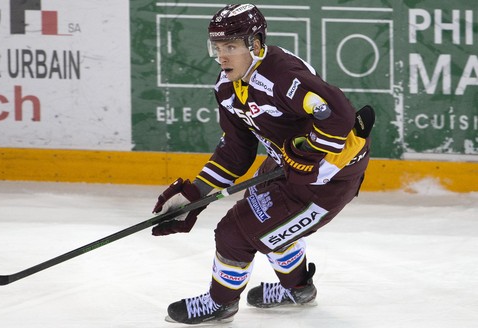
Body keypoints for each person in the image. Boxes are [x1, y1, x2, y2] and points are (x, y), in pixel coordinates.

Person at [151, 3, 373, 325]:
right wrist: (194, 193)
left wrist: (309, 153)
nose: (222, 57)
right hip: (286, 167)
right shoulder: (228, 87)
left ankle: (220, 303)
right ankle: (298, 290)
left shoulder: (281, 77)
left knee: (235, 231)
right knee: (266, 222)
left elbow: (338, 114)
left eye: (231, 47)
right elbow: (236, 152)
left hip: (327, 180)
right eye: (217, 48)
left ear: (254, 45)